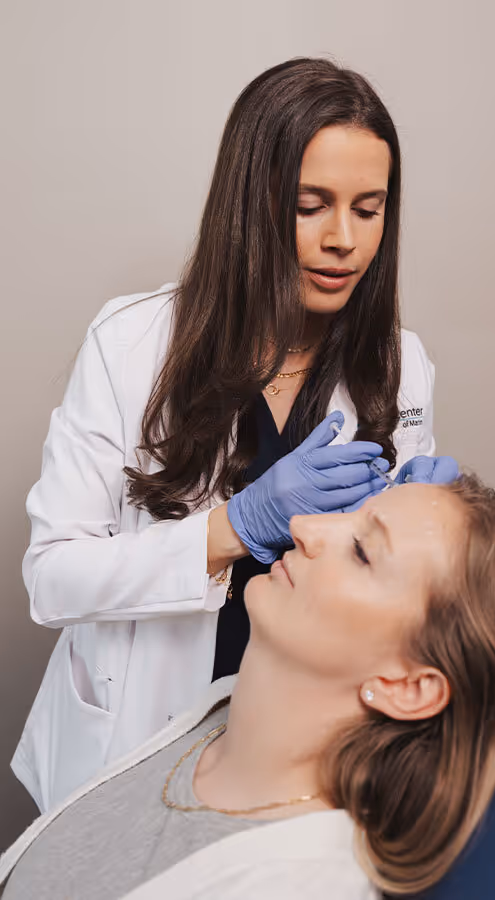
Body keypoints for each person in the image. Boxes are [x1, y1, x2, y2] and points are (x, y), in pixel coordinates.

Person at [13, 56, 459, 813]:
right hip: (136, 732)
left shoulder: (400, 366)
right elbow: (51, 579)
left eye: (369, 207)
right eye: (310, 204)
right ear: (251, 203)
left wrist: (428, 540)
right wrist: (233, 528)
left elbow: (387, 598)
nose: (343, 239)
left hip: (293, 749)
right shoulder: (133, 342)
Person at [0, 476, 495, 900]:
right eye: (354, 514)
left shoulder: (297, 883)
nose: (302, 526)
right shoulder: (215, 717)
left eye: (361, 550)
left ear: (407, 686)